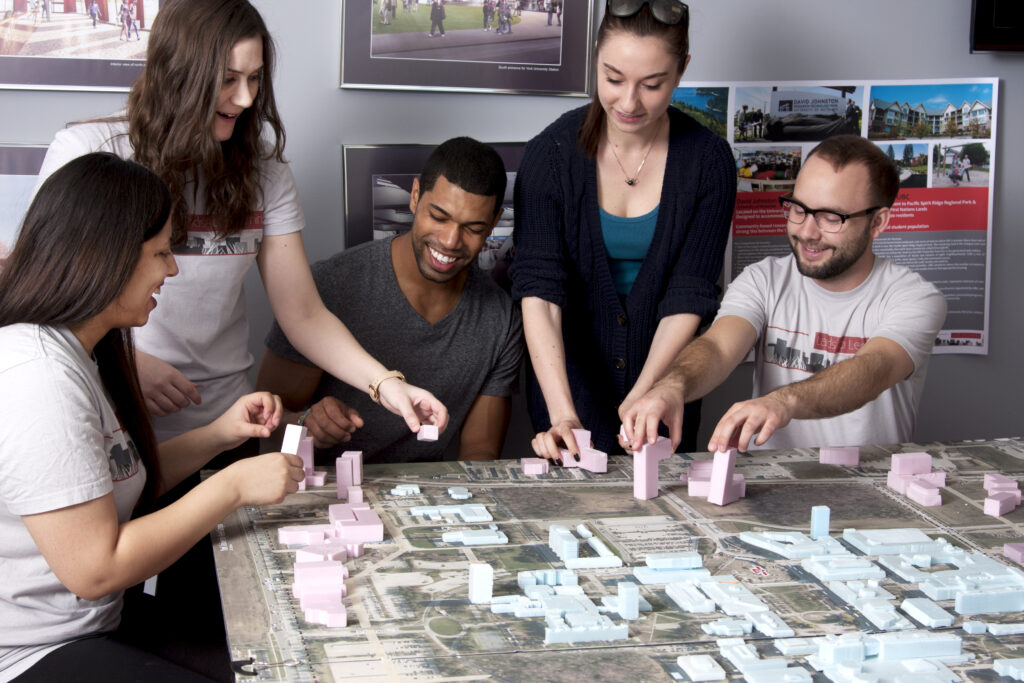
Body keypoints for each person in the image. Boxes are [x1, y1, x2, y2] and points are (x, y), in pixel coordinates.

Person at [34, 0, 447, 449]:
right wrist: (128, 363)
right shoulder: (88, 152)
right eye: (228, 80)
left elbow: (303, 313)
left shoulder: (265, 174)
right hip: (112, 426)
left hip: (226, 430)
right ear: (178, 73)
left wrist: (385, 384)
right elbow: (43, 299)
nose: (247, 98)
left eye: (254, 79)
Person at [0, 152, 305, 682]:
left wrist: (218, 435)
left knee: (269, 662)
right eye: (162, 252)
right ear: (107, 256)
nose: (173, 268)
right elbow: (97, 568)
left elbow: (114, 478)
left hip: (96, 622)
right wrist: (233, 486)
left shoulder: (76, 353)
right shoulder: (38, 374)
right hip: (32, 649)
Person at [621, 135, 947, 454]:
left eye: (831, 217)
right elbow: (718, 347)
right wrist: (674, 384)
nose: (806, 232)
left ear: (877, 222)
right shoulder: (764, 279)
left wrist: (783, 401)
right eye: (799, 209)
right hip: (771, 488)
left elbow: (874, 368)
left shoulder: (913, 298)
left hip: (872, 491)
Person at [510, 0, 735, 461]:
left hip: (665, 383)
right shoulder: (548, 157)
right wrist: (562, 415)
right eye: (613, 79)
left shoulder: (709, 162)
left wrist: (647, 393)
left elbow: (688, 295)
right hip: (564, 384)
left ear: (682, 69)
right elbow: (540, 294)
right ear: (595, 58)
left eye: (652, 85)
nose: (629, 103)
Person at [257, 138, 523, 465]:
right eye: (439, 217)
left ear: (494, 224)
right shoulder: (328, 287)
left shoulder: (499, 318)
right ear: (414, 197)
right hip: (326, 496)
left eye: (473, 228)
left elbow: (479, 456)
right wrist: (306, 424)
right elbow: (263, 428)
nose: (451, 241)